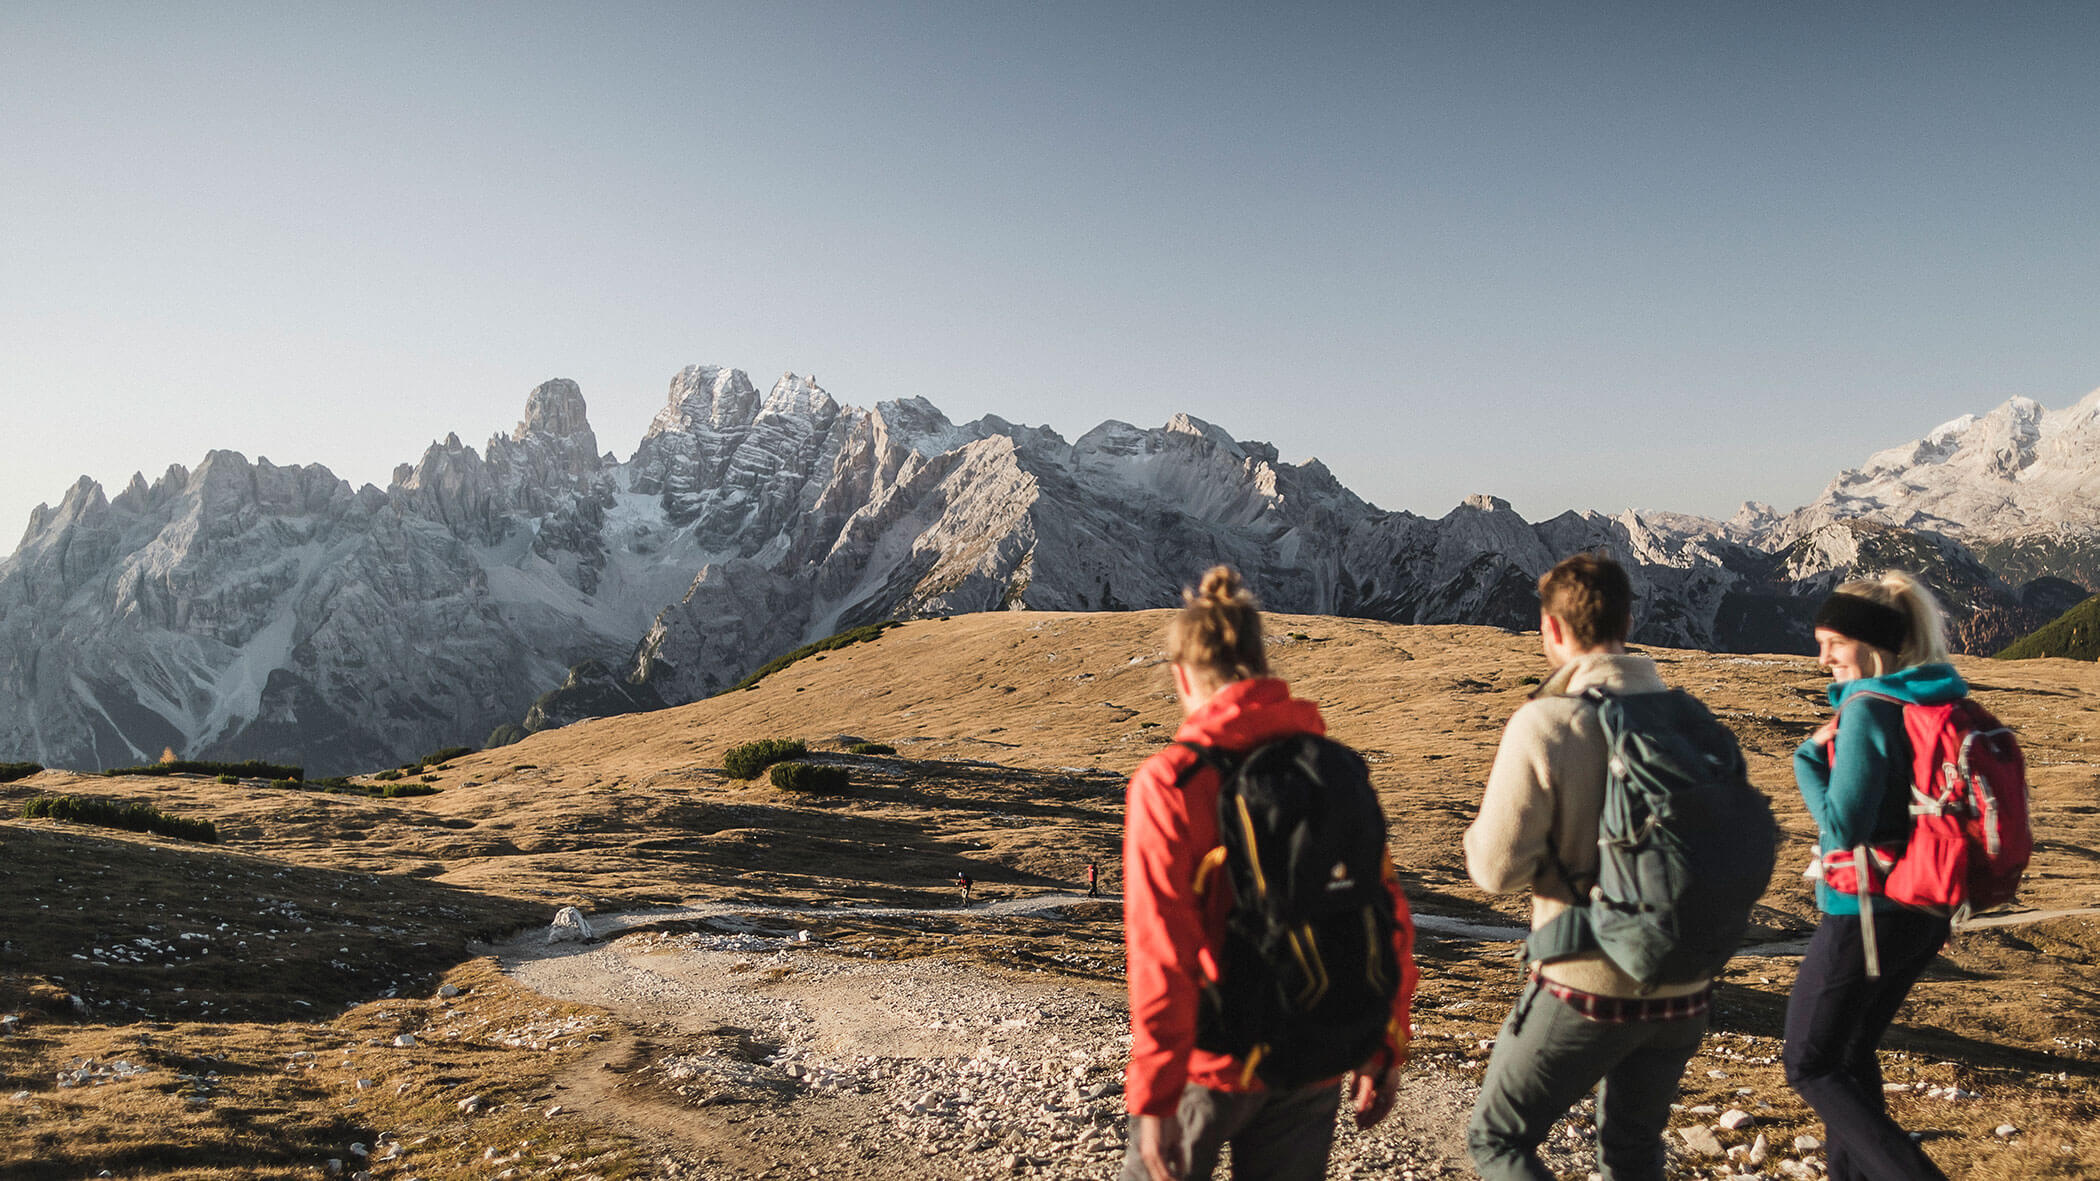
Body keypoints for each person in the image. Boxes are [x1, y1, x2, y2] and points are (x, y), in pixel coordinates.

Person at [1122, 566, 1417, 1181]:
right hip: (1316, 1046)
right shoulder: (1333, 767)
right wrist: (1387, 1038)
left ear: (1182, 677)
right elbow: (1385, 910)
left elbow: (1161, 954)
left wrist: (1154, 1097)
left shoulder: (1172, 784)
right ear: (1261, 665)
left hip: (1214, 1062)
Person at [1464, 553, 1713, 1181]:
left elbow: (1495, 870)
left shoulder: (1547, 723)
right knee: (1632, 1152)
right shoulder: (1689, 719)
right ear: (1629, 619)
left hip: (1589, 980)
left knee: (1497, 1139)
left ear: (1551, 630)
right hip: (1685, 981)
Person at [1783, 572, 1961, 1180]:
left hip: (1866, 912)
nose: (1823, 655)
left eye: (1834, 641)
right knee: (1851, 1059)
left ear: (1872, 644)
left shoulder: (1867, 710)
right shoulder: (1929, 698)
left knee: (1810, 1063)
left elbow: (1841, 828)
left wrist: (1807, 760)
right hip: (1923, 909)